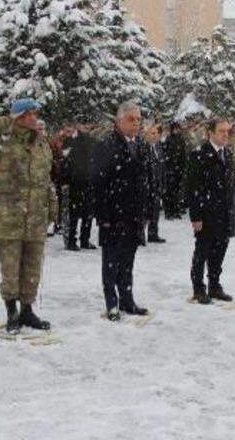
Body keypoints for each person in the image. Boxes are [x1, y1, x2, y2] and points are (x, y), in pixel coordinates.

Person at [0, 99, 57, 333]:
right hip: (9, 217)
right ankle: (12, 311)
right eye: (30, 114)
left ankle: (27, 311)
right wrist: (7, 120)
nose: (35, 118)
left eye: (35, 113)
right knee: (10, 269)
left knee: (32, 268)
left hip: (35, 218)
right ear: (19, 116)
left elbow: (46, 180)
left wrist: (52, 207)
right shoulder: (1, 144)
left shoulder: (41, 144)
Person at [93, 102, 151, 322]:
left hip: (133, 214)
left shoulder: (141, 145)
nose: (136, 123)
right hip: (113, 215)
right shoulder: (106, 145)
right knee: (111, 261)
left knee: (128, 261)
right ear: (119, 122)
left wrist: (146, 211)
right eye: (131, 119)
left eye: (138, 119)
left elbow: (145, 182)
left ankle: (127, 299)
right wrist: (103, 216)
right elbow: (98, 184)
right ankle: (112, 303)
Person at [187, 118, 235, 304]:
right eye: (221, 131)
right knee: (202, 252)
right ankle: (198, 288)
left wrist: (234, 211)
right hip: (207, 214)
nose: (226, 134)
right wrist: (196, 216)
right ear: (210, 133)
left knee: (219, 252)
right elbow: (193, 189)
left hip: (225, 214)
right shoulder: (199, 154)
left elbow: (232, 186)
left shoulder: (228, 153)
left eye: (228, 131)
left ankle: (215, 285)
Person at [62, 122, 98, 251]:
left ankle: (85, 239)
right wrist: (66, 180)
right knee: (74, 213)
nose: (86, 129)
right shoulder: (70, 141)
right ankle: (72, 240)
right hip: (76, 182)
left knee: (88, 213)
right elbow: (65, 161)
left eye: (88, 126)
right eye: (84, 126)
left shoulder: (92, 141)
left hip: (89, 181)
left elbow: (96, 160)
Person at [143, 122, 167, 243]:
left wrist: (162, 183)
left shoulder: (158, 147)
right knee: (144, 211)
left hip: (157, 185)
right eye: (152, 133)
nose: (154, 136)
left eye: (156, 133)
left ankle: (153, 234)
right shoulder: (143, 148)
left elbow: (162, 167)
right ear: (146, 134)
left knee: (155, 211)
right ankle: (140, 236)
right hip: (147, 185)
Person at [162, 122, 188, 219]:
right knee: (169, 191)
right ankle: (169, 212)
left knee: (177, 191)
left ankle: (176, 210)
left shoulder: (181, 139)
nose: (177, 131)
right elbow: (165, 154)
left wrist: (183, 166)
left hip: (179, 169)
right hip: (170, 169)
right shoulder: (168, 139)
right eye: (175, 129)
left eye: (178, 129)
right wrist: (168, 165)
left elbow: (183, 153)